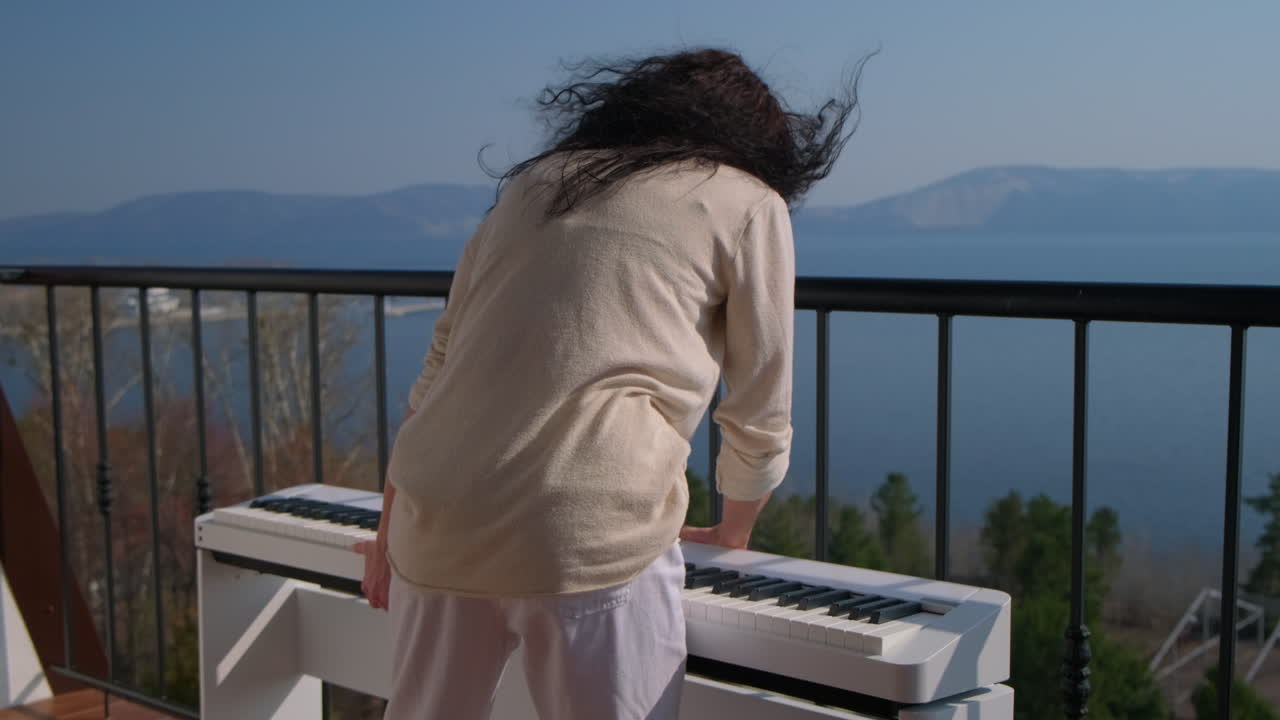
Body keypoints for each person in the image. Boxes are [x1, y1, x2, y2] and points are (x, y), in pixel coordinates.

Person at [354, 47, 866, 720]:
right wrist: (733, 530)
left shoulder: (537, 183)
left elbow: (437, 372)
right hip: (589, 527)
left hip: (437, 519)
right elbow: (759, 404)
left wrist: (394, 529)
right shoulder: (748, 202)